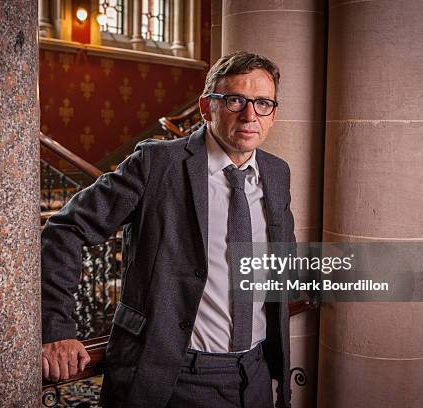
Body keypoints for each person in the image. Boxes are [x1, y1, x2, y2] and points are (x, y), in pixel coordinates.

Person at [41, 51, 296, 408]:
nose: (250, 114)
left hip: (252, 375)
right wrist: (57, 329)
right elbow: (65, 228)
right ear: (207, 107)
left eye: (263, 103)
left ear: (273, 114)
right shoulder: (158, 164)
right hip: (172, 377)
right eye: (236, 100)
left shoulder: (276, 173)